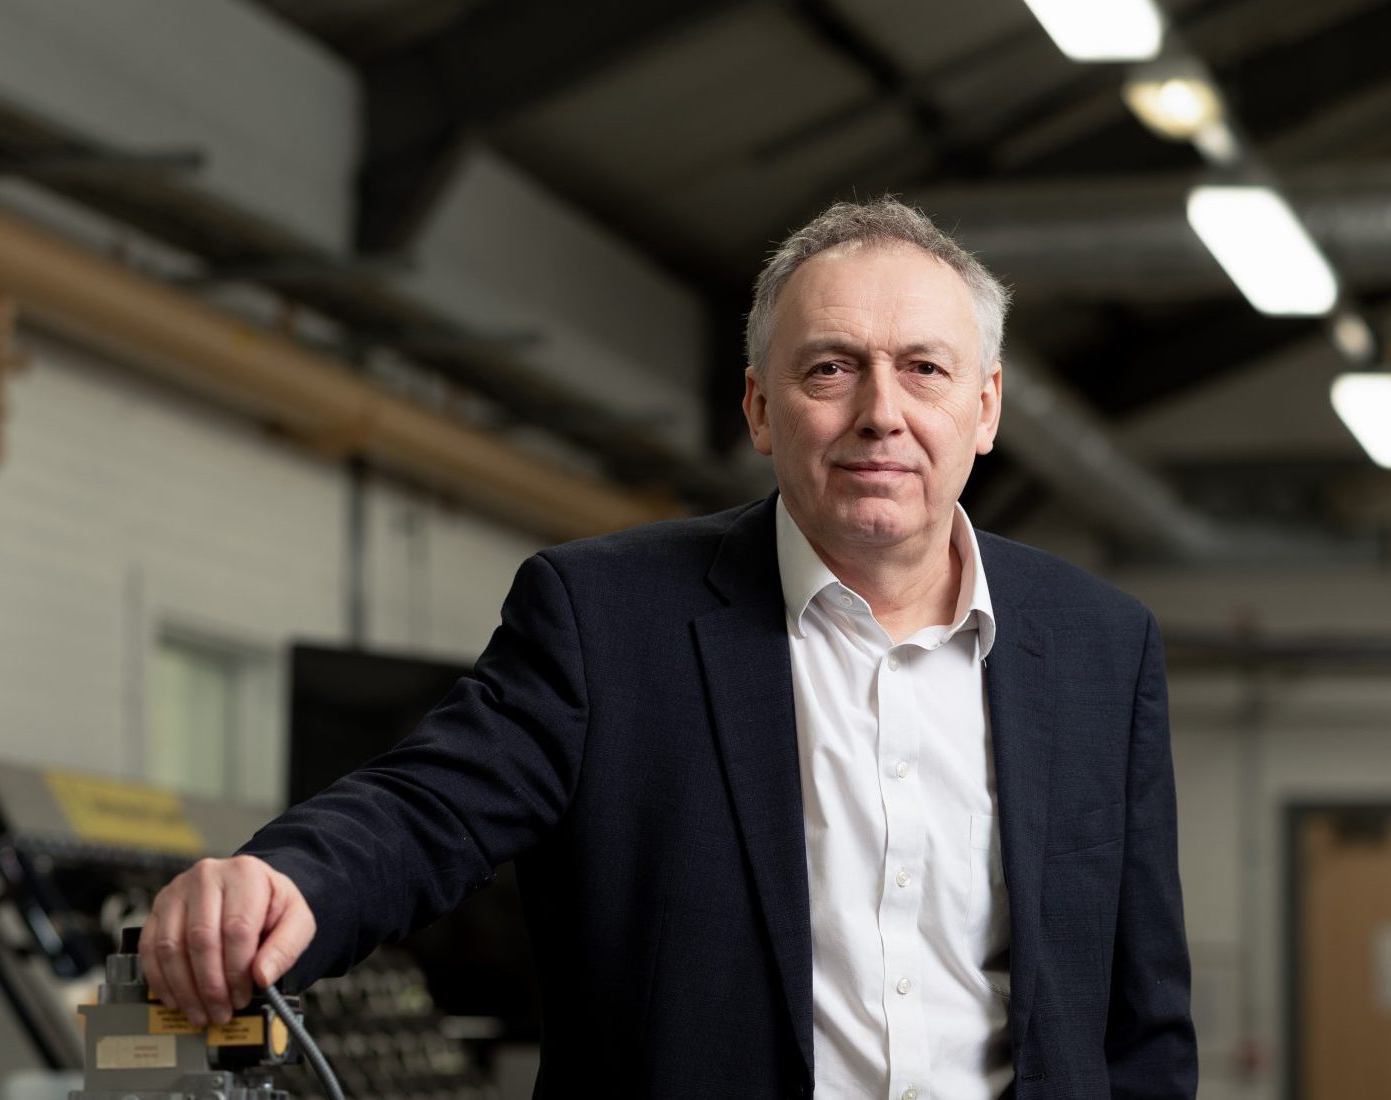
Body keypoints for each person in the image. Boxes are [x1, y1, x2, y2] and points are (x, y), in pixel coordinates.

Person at [141, 198, 1197, 1098]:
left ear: (985, 406)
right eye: (831, 367)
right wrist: (285, 881)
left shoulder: (1100, 643)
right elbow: (430, 804)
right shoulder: (606, 615)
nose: (882, 412)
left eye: (924, 368)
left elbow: (1141, 1009)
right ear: (759, 407)